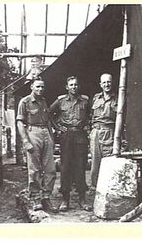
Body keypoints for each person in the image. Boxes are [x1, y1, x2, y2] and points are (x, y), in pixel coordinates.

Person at [50, 76, 92, 211]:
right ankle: (65, 199)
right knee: (66, 166)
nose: (74, 87)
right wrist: (57, 127)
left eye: (76, 85)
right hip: (66, 136)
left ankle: (82, 199)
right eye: (71, 85)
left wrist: (88, 126)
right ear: (67, 87)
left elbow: (92, 115)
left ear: (78, 87)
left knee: (80, 165)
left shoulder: (85, 101)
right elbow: (49, 113)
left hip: (80, 135)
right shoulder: (61, 101)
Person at [16, 77, 58, 213]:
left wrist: (51, 137)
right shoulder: (25, 102)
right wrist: (26, 141)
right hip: (32, 132)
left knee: (50, 168)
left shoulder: (44, 101)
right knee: (34, 168)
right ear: (32, 87)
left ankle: (46, 197)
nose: (40, 89)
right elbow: (20, 123)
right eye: (37, 87)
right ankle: (35, 198)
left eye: (42, 87)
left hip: (45, 132)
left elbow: (48, 121)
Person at [89, 73, 117, 191]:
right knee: (95, 162)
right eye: (104, 82)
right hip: (95, 132)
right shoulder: (96, 98)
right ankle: (95, 188)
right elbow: (90, 114)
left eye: (109, 82)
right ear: (100, 84)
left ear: (112, 83)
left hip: (109, 131)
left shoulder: (117, 98)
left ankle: (108, 188)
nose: (107, 84)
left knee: (109, 160)